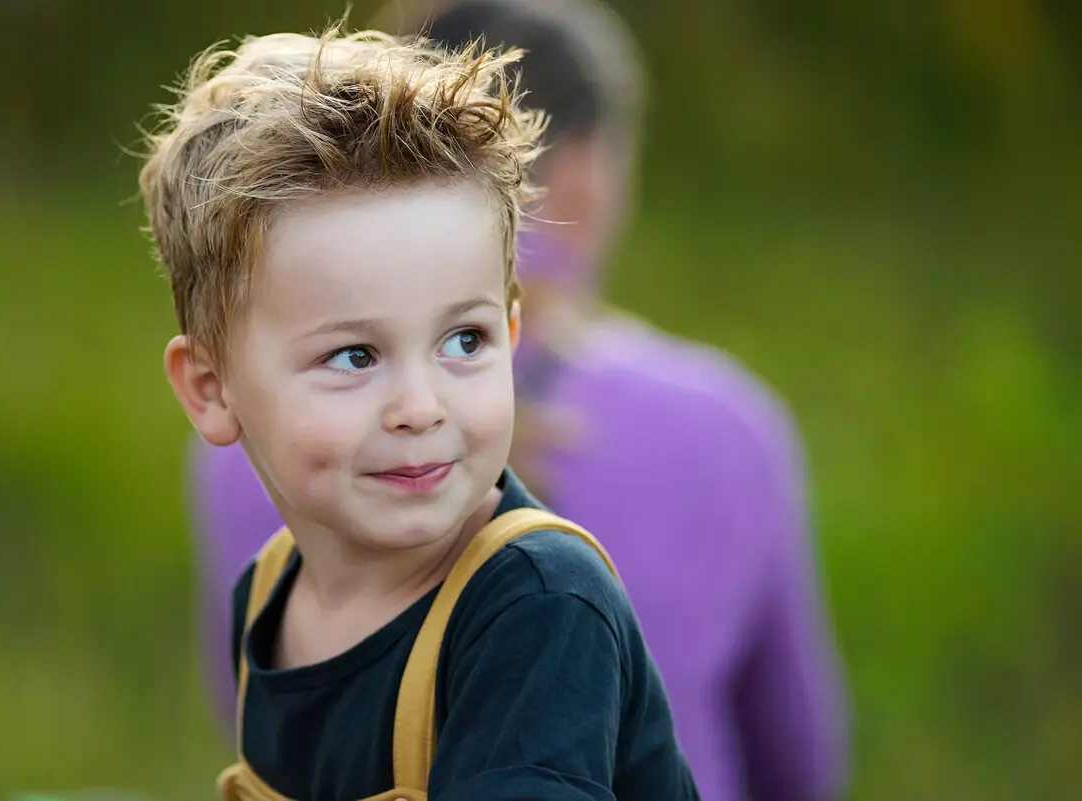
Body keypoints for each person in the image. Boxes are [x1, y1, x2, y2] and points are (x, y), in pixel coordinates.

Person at [191, 2, 850, 801]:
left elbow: (249, 713)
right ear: (584, 174)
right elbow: (797, 765)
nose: (419, 408)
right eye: (356, 357)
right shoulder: (727, 428)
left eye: (468, 345)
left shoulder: (254, 434)